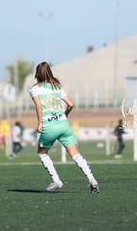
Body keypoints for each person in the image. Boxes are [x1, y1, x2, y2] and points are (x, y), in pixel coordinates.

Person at [29, 62, 99, 193]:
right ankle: (92, 180)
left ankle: (56, 180)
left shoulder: (34, 89)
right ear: (50, 72)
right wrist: (65, 114)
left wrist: (40, 123)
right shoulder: (57, 86)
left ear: (37, 74)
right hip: (63, 125)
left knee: (42, 153)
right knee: (76, 155)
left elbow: (39, 106)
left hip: (49, 126)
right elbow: (71, 104)